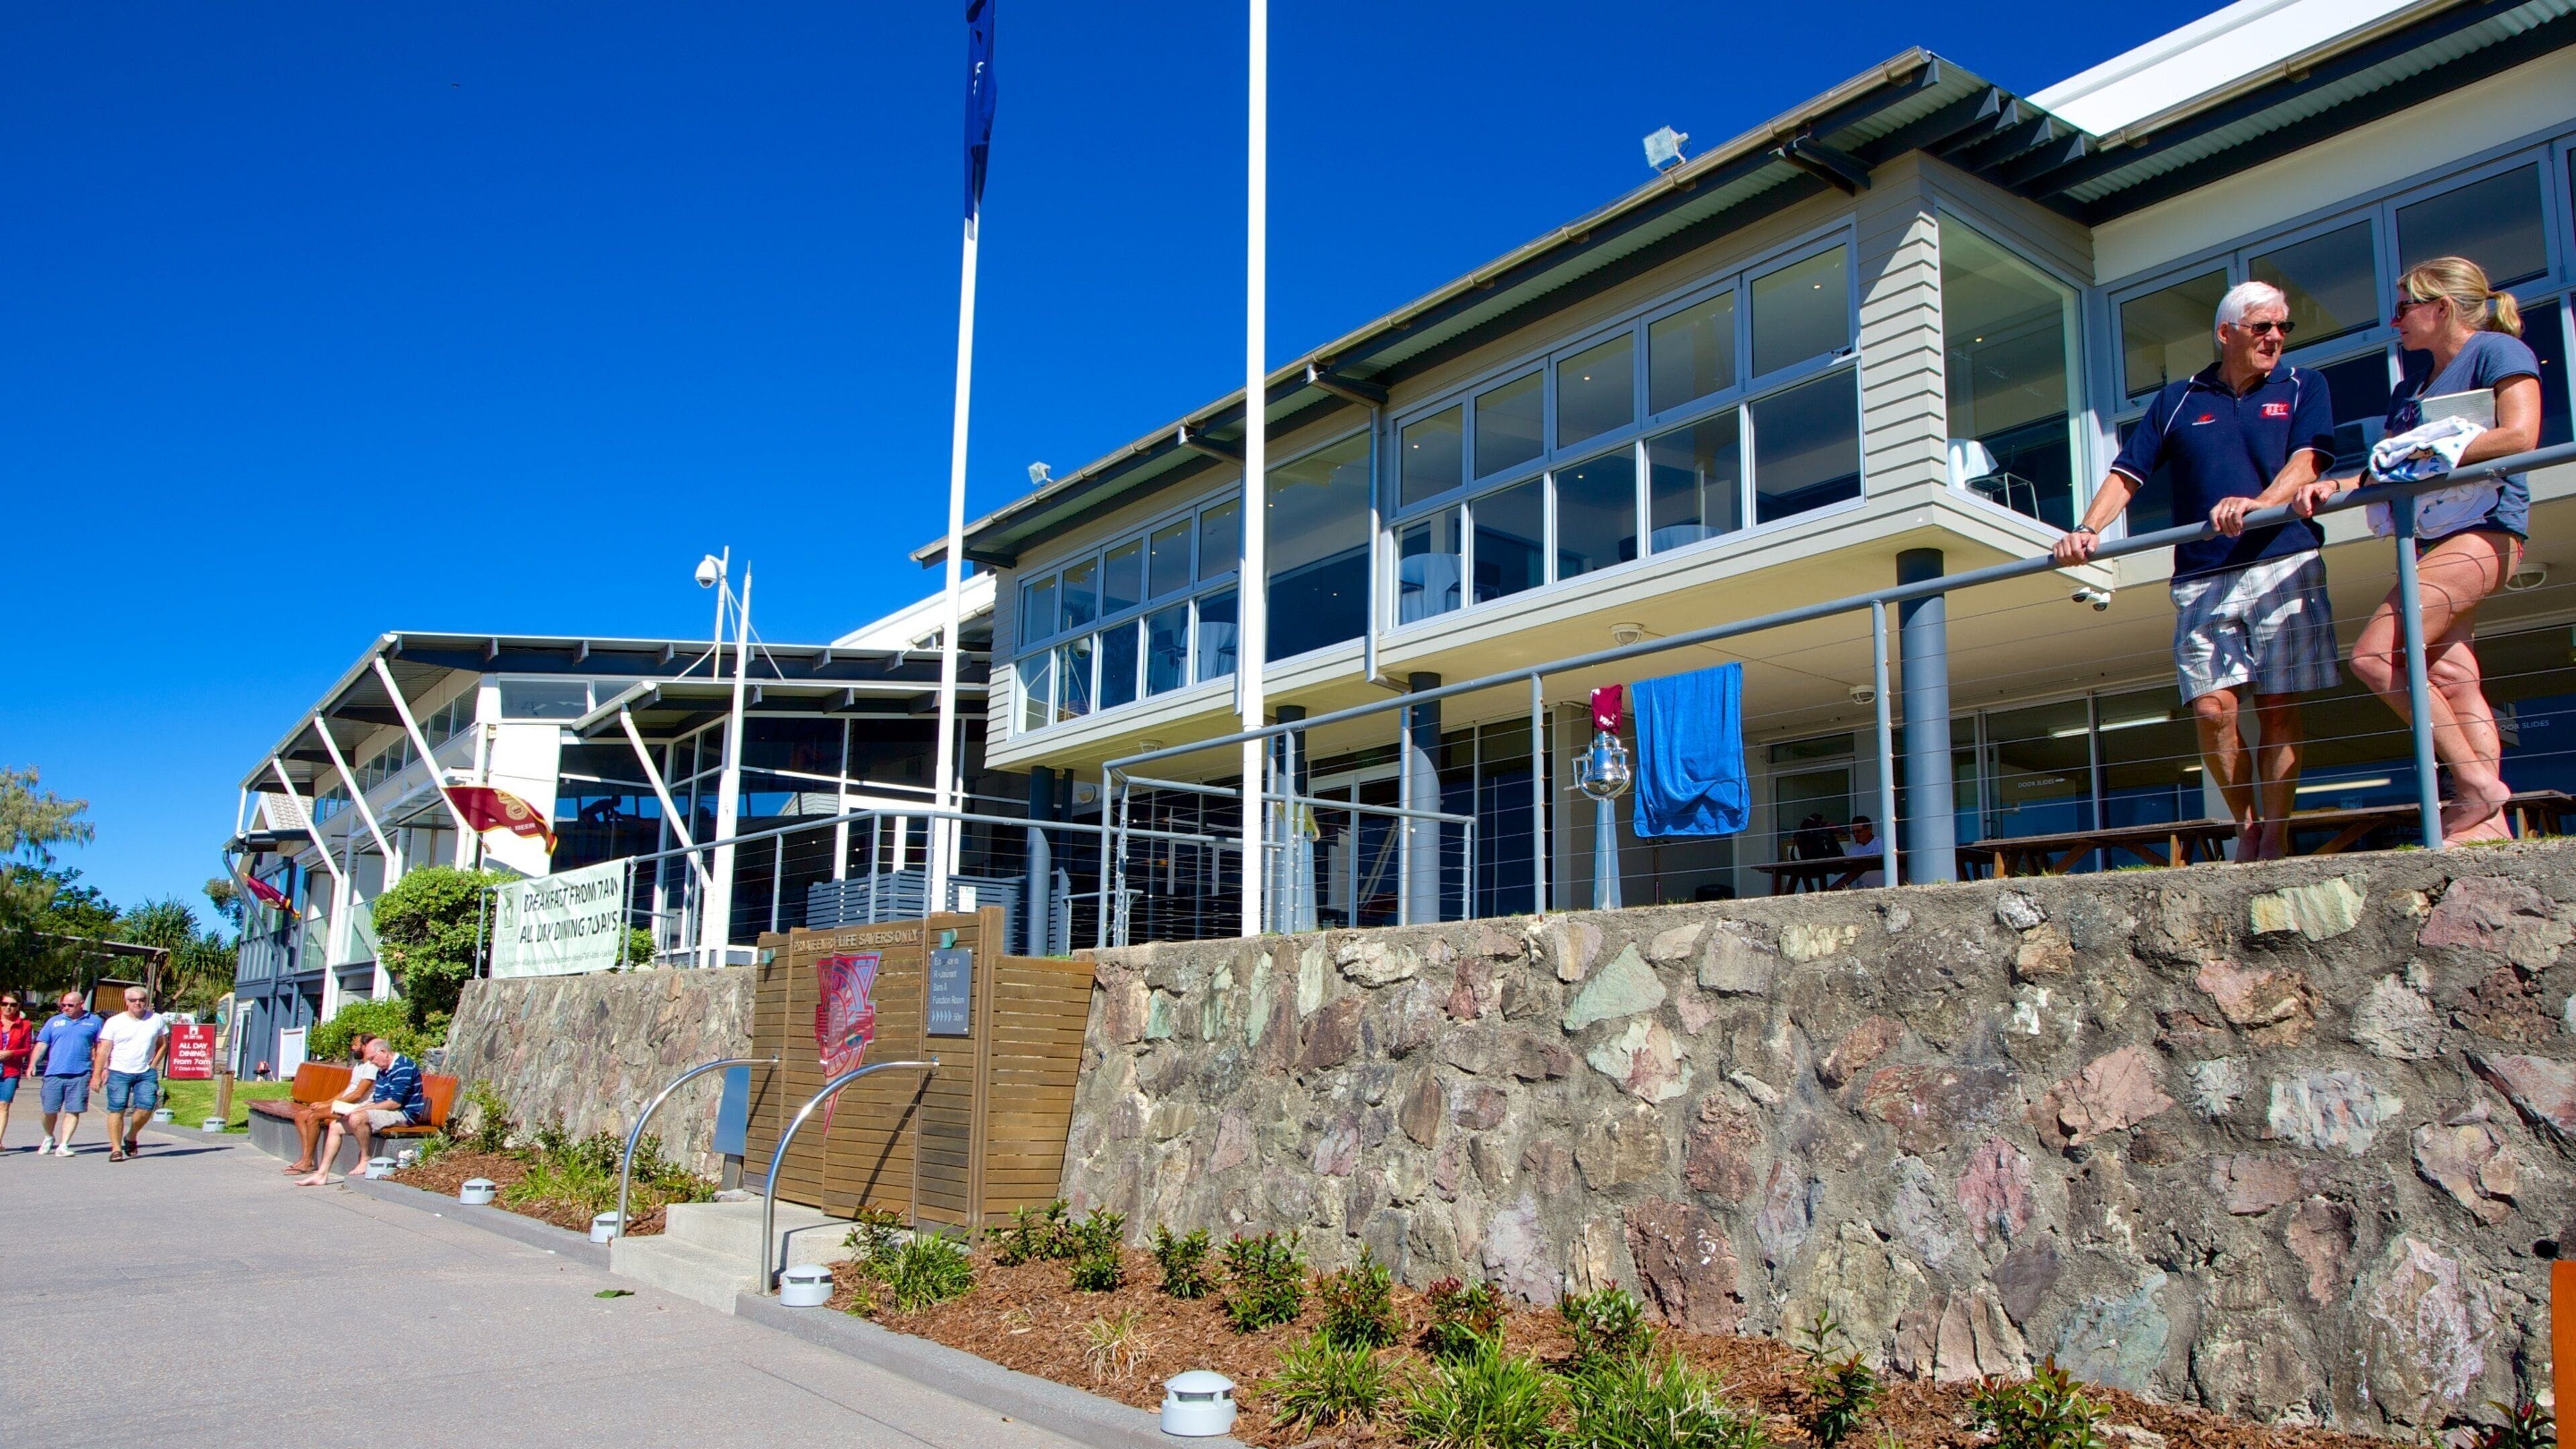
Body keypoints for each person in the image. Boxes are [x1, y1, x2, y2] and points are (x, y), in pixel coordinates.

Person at [2055, 279, 2338, 861]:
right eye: (2264, 327)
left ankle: (2277, 836)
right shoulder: (2179, 399)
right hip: (2203, 574)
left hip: (2283, 557)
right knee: (2213, 708)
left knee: (2280, 708)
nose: (2277, 337)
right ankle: (2248, 824)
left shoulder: (2305, 384)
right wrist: (2088, 529)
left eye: (2284, 327)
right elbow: (2128, 472)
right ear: (2226, 333)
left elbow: (2308, 460)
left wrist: (2260, 503)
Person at [2284, 257, 2542, 843]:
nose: (2394, 321)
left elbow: (2521, 436)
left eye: (2403, 308)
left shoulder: (2496, 353)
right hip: (2428, 537)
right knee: (2452, 676)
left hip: (2487, 529)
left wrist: (2437, 453)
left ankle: (2477, 787)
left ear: (2441, 308)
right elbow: (2393, 467)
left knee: (2377, 657)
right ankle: (2492, 825)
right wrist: (2341, 485)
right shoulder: (2410, 387)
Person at [293, 1036, 428, 1185]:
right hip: (385, 1111)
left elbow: (394, 1103)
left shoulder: (404, 1066)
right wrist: (351, 1109)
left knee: (357, 1117)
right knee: (335, 1126)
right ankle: (321, 1174)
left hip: (403, 1114)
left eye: (372, 1058)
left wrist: (360, 1109)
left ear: (384, 1052)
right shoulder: (383, 1068)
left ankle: (365, 1158)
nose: (371, 1062)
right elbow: (378, 1101)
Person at [93, 986, 171, 1162]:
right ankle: (116, 1149)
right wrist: (97, 1075)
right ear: (126, 1002)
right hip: (119, 1070)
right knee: (117, 1108)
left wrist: (154, 1065)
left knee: (146, 1107)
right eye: (133, 1000)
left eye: (142, 1000)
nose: (138, 1003)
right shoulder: (114, 1022)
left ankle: (131, 1136)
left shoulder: (156, 1020)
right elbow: (104, 1050)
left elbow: (163, 1044)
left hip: (145, 1071)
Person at [283, 1033, 378, 1175]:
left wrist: (330, 1105)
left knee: (314, 1116)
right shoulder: (359, 1065)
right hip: (346, 1103)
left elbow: (358, 1094)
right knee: (301, 1116)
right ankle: (306, 1158)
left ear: (365, 1047)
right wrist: (324, 1103)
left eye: (356, 1044)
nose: (352, 1047)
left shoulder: (372, 1067)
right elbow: (348, 1090)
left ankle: (308, 1162)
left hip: (358, 1106)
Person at [29, 990, 105, 1157]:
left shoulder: (94, 1022)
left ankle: (64, 1144)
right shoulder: (54, 1022)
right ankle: (49, 1137)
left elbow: (102, 1047)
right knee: (49, 1110)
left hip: (80, 1073)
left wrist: (101, 1071)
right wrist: (32, 1064)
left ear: (81, 1004)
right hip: (54, 1072)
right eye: (63, 1005)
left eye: (70, 1005)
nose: (65, 1008)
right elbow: (42, 1044)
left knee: (73, 1110)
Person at [0, 994, 32, 1151]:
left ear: (18, 1006)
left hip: (11, 1069)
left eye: (12, 1005)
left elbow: (27, 1049)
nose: (8, 1007)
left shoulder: (25, 1025)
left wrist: (11, 1053)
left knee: (4, 1105)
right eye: (5, 1003)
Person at [1843, 814, 1885, 888]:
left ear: (1869, 830)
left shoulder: (1881, 844)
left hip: (1880, 887)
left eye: (1859, 831)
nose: (1856, 835)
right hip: (1862, 888)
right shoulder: (1853, 849)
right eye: (1853, 832)